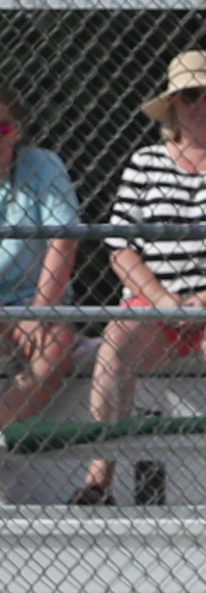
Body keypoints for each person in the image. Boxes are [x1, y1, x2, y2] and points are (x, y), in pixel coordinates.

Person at [70, 51, 206, 506]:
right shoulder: (144, 162)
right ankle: (98, 480)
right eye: (191, 95)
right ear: (173, 106)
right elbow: (120, 246)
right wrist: (161, 298)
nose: (203, 105)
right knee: (116, 340)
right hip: (158, 304)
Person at [0, 84, 79, 429]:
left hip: (32, 299)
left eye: (3, 127)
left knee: (56, 344)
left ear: (17, 131)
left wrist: (40, 311)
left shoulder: (42, 165)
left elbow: (63, 242)